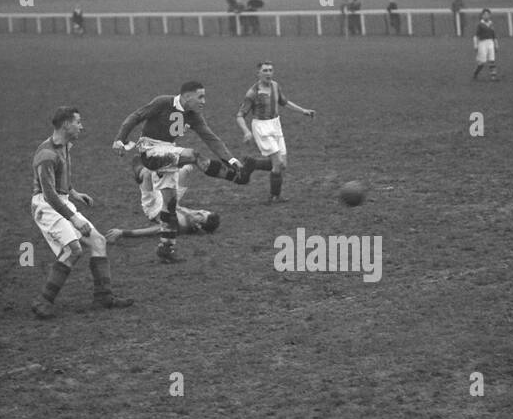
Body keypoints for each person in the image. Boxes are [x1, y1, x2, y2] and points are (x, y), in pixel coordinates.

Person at [112, 81, 257, 263]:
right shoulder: (163, 103)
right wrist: (120, 139)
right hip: (150, 150)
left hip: (168, 152)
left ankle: (166, 248)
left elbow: (210, 138)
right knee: (193, 156)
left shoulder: (194, 115)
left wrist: (232, 160)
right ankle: (238, 178)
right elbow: (136, 116)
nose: (204, 101)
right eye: (200, 97)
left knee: (170, 203)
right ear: (187, 96)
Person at [30, 106, 132, 318]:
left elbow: (58, 182)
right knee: (73, 250)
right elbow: (49, 194)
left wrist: (74, 193)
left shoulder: (66, 146)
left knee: (98, 241)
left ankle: (104, 296)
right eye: (78, 122)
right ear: (66, 125)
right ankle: (43, 301)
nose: (81, 126)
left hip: (62, 201)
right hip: (47, 207)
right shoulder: (46, 155)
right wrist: (74, 218)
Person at [236, 61, 315, 204]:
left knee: (282, 164)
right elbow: (240, 115)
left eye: (270, 70)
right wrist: (246, 132)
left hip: (275, 124)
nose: (268, 73)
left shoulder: (275, 86)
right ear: (258, 73)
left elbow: (284, 102)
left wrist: (303, 110)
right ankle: (274, 196)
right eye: (265, 70)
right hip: (261, 127)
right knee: (277, 163)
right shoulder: (253, 93)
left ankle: (253, 163)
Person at [472, 9, 500, 81]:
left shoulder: (491, 24)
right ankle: (475, 73)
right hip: (482, 43)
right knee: (482, 62)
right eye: (485, 14)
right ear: (482, 16)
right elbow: (476, 36)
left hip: (490, 42)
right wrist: (476, 45)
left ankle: (493, 77)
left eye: (488, 14)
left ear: (490, 15)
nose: (486, 16)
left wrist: (496, 44)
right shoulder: (480, 25)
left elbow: (494, 35)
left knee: (492, 59)